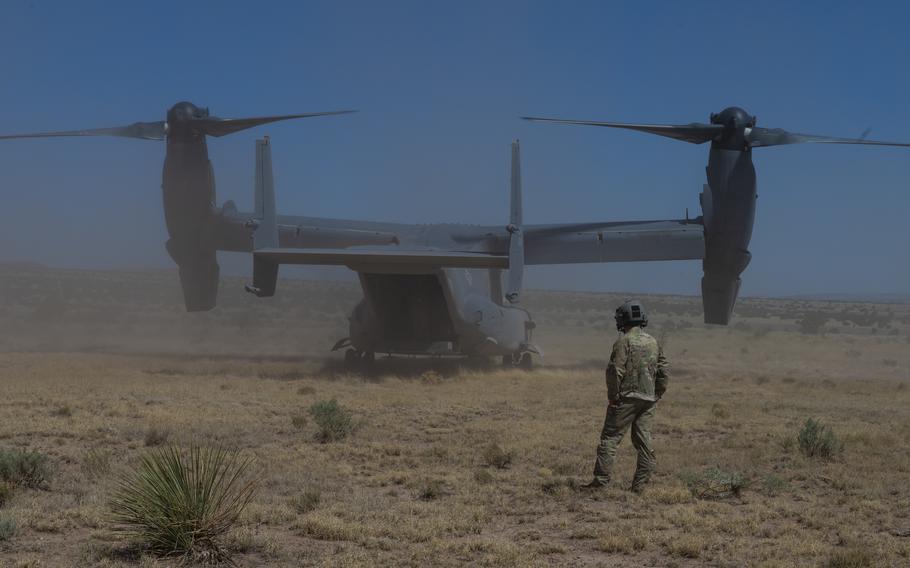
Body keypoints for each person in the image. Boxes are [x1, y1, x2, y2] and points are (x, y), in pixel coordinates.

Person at [583, 300, 669, 493]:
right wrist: (657, 393)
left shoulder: (624, 341)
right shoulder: (654, 342)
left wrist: (613, 396)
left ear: (623, 319)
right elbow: (664, 370)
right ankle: (639, 487)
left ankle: (600, 482)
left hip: (626, 397)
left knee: (610, 438)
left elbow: (615, 370)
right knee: (644, 442)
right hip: (648, 398)